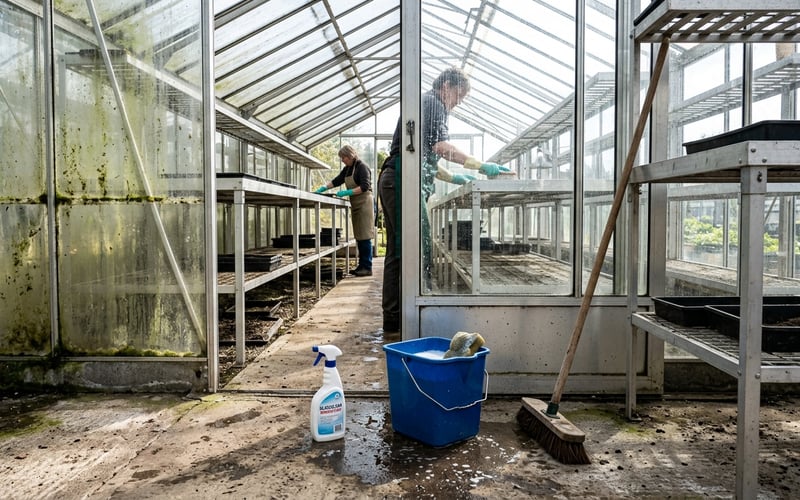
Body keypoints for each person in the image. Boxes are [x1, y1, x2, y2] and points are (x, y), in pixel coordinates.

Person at [377, 67, 510, 333]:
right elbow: (439, 147)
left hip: (394, 179)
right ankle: (417, 318)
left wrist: (455, 178)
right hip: (401, 181)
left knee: (397, 252)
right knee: (418, 246)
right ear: (447, 86)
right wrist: (479, 165)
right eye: (458, 96)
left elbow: (424, 157)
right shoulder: (435, 104)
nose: (456, 103)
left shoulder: (423, 104)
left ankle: (394, 318)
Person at [314, 145, 374, 277]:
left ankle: (367, 267)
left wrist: (348, 192)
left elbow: (365, 186)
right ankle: (362, 265)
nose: (342, 160)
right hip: (356, 203)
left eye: (344, 157)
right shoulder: (348, 169)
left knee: (365, 236)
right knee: (359, 235)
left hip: (364, 203)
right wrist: (323, 188)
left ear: (351, 155)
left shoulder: (361, 167)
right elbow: (337, 181)